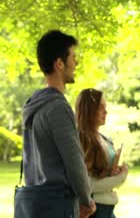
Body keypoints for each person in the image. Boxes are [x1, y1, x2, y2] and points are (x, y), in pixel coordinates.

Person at [18, 30, 96, 218]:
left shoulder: (34, 106)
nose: (76, 63)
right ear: (59, 64)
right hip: (57, 204)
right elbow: (74, 161)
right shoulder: (58, 108)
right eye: (73, 57)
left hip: (33, 204)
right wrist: (86, 201)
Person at [76, 88, 128, 218]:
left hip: (107, 208)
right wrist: (120, 178)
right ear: (89, 111)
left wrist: (112, 173)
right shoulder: (82, 139)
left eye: (106, 106)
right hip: (95, 210)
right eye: (101, 108)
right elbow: (87, 184)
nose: (106, 111)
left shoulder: (103, 138)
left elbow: (100, 174)